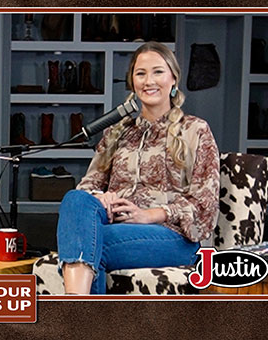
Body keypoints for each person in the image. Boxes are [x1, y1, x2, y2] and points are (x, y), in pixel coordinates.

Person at [56, 41, 220, 294]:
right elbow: (88, 185)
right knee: (75, 199)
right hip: (115, 225)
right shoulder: (117, 132)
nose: (148, 81)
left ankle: (74, 313)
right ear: (132, 82)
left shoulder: (195, 130)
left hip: (173, 236)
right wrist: (103, 198)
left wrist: (150, 214)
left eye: (158, 72)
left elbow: (204, 204)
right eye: (140, 73)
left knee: (87, 247)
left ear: (174, 79)